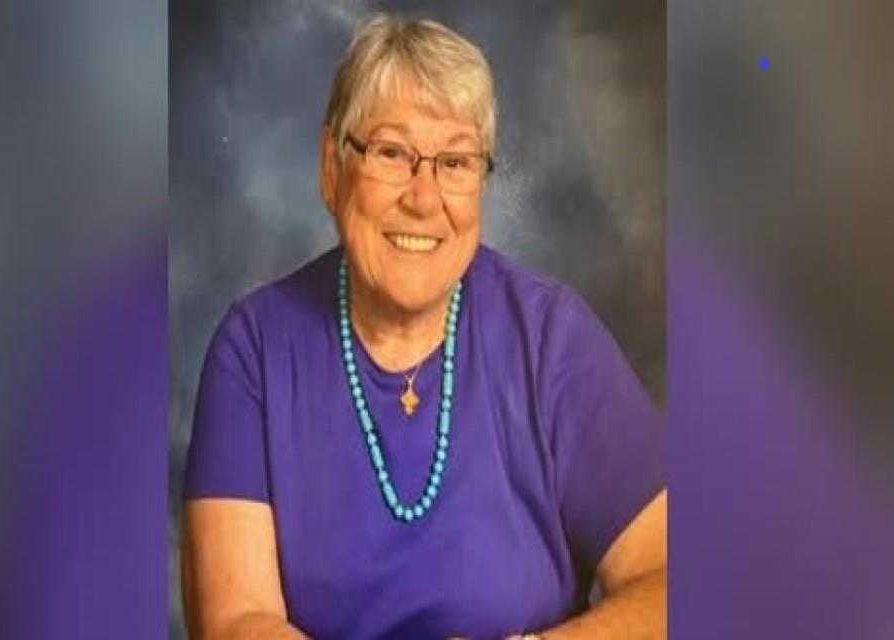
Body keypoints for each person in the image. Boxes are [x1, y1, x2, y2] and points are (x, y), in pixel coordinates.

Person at [182, 13, 665, 640]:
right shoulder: (254, 350)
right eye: (391, 153)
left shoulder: (550, 338)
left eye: (456, 162)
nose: (424, 196)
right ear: (332, 166)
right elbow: (236, 620)